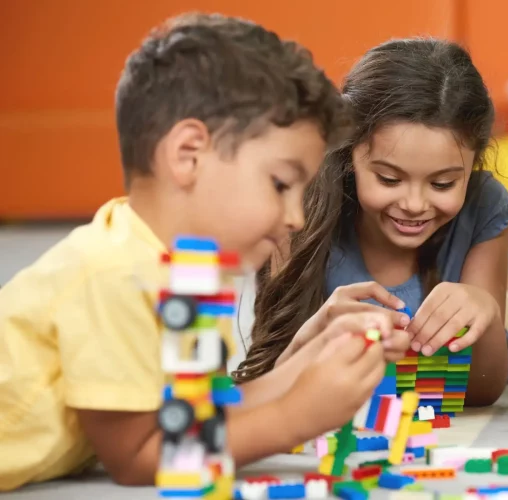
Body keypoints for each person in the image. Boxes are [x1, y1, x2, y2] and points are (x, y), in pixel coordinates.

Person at [0, 13, 409, 490]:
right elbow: (137, 456)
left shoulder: (187, 270)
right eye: (280, 183)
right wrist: (296, 418)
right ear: (188, 154)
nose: (296, 217)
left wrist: (308, 362)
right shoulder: (115, 271)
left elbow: (200, 417)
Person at [234, 38, 508, 404]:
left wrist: (485, 308)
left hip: (464, 341)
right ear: (349, 153)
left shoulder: (484, 201)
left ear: (474, 166)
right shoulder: (299, 211)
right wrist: (313, 333)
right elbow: (269, 381)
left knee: (505, 313)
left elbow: (483, 389)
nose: (413, 204)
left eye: (442, 183)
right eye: (389, 179)